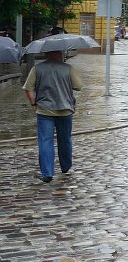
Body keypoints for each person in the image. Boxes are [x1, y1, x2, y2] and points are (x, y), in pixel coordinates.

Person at [23, 50, 83, 183]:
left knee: (45, 141)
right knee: (65, 139)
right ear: (60, 54)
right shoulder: (68, 68)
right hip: (65, 110)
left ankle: (47, 173)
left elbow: (28, 88)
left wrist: (34, 103)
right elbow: (78, 86)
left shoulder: (37, 69)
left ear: (46, 54)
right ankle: (66, 167)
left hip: (44, 111)